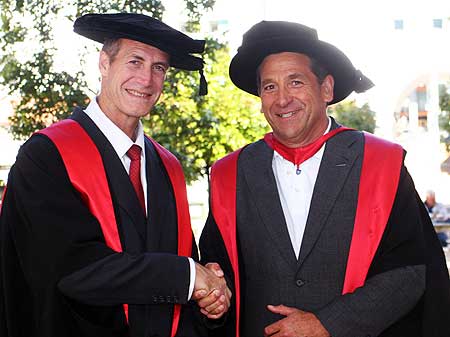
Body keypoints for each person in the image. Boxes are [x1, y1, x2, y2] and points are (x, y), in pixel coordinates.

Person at [200, 21, 450, 337]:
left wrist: (328, 323)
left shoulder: (379, 163)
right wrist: (214, 293)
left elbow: (411, 271)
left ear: (326, 89)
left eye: (295, 82)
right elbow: (217, 267)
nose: (282, 100)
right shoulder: (231, 173)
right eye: (269, 86)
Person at [0, 13, 230, 337]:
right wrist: (188, 276)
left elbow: (183, 274)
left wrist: (209, 302)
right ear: (104, 62)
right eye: (135, 62)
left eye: (159, 68)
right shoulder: (46, 155)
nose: (147, 80)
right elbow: (71, 269)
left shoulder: (168, 167)